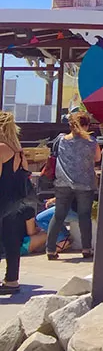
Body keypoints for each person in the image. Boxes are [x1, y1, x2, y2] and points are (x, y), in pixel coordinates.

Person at [47, 112, 100, 260]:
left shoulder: (61, 140)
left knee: (58, 215)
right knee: (84, 216)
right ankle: (86, 249)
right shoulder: (92, 141)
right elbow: (97, 158)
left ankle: (50, 249)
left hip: (62, 182)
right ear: (87, 125)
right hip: (85, 184)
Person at [0, 112, 35, 295]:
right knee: (12, 241)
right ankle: (12, 280)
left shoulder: (1, 148)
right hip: (16, 202)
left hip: (2, 199)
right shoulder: (19, 152)